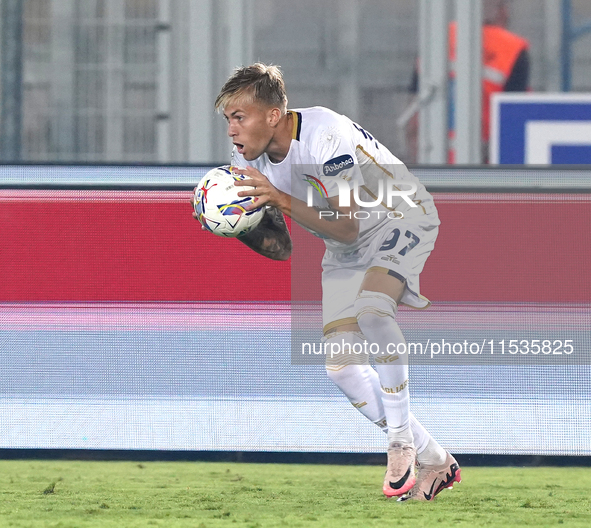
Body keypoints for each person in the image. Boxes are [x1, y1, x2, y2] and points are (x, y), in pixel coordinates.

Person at [200, 62, 461, 500]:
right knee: (341, 368)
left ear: (272, 115)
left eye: (239, 117)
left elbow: (347, 226)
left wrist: (278, 197)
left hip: (401, 216)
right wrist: (233, 223)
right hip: (346, 250)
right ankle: (436, 460)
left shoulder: (325, 135)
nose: (231, 130)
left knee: (375, 313)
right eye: (227, 119)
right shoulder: (245, 160)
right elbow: (282, 247)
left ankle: (400, 443)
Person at [407, 0, 530, 163]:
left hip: (434, 159)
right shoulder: (513, 49)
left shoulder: (437, 39)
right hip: (484, 164)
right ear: (503, 10)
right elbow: (513, 120)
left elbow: (414, 116)